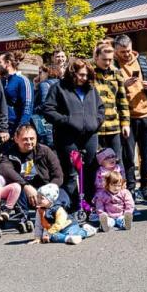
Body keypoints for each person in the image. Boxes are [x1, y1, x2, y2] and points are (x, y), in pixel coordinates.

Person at [39, 58, 104, 210]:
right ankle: (72, 206)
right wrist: (67, 120)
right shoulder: (58, 88)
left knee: (90, 170)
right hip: (67, 136)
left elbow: (101, 108)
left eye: (87, 75)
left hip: (89, 135)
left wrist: (96, 122)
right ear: (73, 73)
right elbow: (48, 110)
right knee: (70, 173)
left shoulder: (91, 89)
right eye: (81, 75)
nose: (84, 78)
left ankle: (89, 205)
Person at [113, 34, 147, 203]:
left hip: (146, 113)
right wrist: (122, 86)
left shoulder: (143, 61)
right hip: (127, 116)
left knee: (146, 153)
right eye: (122, 52)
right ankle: (131, 187)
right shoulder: (114, 64)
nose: (126, 55)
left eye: (128, 51)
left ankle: (145, 187)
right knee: (128, 154)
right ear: (116, 51)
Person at [0, 124, 64, 210]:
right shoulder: (8, 154)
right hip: (23, 190)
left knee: (64, 198)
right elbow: (4, 169)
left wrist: (47, 191)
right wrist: (25, 185)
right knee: (17, 190)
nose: (29, 142)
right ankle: (24, 220)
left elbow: (58, 175)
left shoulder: (45, 151)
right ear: (16, 139)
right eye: (25, 139)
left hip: (45, 187)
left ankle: (51, 217)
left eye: (32, 138)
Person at [91, 42, 131, 175]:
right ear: (96, 57)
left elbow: (122, 100)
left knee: (117, 161)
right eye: (104, 59)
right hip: (95, 127)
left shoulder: (117, 73)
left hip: (114, 126)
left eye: (110, 59)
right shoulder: (89, 73)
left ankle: (122, 192)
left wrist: (125, 123)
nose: (108, 63)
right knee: (95, 162)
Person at [0, 52, 34, 137]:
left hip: (16, 129)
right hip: (1, 128)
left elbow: (27, 106)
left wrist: (21, 129)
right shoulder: (1, 81)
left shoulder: (23, 81)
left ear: (8, 63)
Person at [32, 62, 62, 147]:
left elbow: (45, 104)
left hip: (47, 124)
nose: (39, 76)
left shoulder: (45, 84)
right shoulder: (62, 83)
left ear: (48, 72)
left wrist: (34, 110)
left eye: (40, 72)